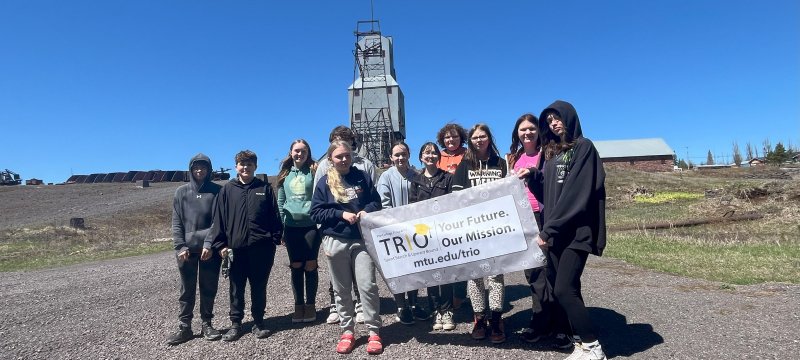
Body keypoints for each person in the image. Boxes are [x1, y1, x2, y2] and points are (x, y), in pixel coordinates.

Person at [523, 100, 608, 360]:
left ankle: (594, 347)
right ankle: (580, 343)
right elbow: (550, 193)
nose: (553, 123)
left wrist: (548, 230)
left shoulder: (584, 148)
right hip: (558, 233)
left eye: (557, 118)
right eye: (549, 121)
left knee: (563, 290)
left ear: (569, 117)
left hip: (576, 232)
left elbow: (575, 195)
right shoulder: (553, 154)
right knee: (569, 288)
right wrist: (533, 176)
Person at [310, 139, 383, 355]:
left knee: (367, 285)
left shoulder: (362, 177)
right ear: (331, 160)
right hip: (336, 239)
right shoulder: (325, 182)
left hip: (361, 239)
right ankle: (347, 331)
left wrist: (366, 210)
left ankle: (373, 331)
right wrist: (340, 213)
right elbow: (316, 212)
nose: (343, 159)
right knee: (341, 289)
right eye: (338, 156)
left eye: (347, 156)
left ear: (351, 156)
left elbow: (375, 201)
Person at [204, 150, 283, 342]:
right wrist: (221, 245)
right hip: (235, 249)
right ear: (236, 166)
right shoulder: (227, 190)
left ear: (255, 166)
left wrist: (274, 239)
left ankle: (258, 322)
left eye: (249, 164)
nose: (245, 167)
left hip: (261, 249)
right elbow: (219, 219)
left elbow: (275, 216)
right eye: (242, 164)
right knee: (236, 288)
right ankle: (236, 324)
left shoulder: (264, 188)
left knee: (258, 286)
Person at [452, 123, 509, 344]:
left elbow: (509, 194)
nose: (479, 140)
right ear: (470, 141)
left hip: (496, 229)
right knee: (474, 276)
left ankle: (496, 319)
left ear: (489, 138)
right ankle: (479, 319)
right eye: (475, 137)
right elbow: (456, 199)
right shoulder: (464, 166)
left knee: (495, 275)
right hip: (472, 230)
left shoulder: (501, 164)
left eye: (482, 136)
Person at [167, 153, 223, 345]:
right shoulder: (181, 192)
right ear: (191, 169)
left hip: (209, 250)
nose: (199, 170)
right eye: (196, 167)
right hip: (186, 251)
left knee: (208, 287)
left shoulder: (217, 191)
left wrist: (209, 244)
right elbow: (177, 222)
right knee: (186, 290)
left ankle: (207, 324)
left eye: (203, 167)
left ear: (209, 170)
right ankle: (185, 327)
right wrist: (180, 246)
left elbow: (218, 222)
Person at [507, 114, 553, 343]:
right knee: (532, 271)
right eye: (523, 129)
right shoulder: (514, 158)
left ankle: (555, 321)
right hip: (521, 218)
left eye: (531, 129)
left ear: (538, 131)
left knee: (550, 269)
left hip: (543, 216)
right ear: (517, 133)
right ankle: (539, 319)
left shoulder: (548, 155)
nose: (527, 133)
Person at [377, 141, 428, 325]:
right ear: (391, 157)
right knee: (398, 269)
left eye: (403, 154)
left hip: (415, 230)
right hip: (394, 230)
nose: (400, 158)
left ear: (409, 155)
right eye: (396, 155)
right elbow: (384, 202)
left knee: (415, 267)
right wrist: (395, 223)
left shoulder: (416, 175)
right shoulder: (385, 177)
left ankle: (414, 303)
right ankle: (401, 306)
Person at [408, 142, 455, 331]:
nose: (430, 156)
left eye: (434, 153)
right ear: (421, 157)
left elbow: (453, 203)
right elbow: (411, 208)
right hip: (425, 235)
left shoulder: (447, 178)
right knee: (431, 275)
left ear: (439, 156)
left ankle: (448, 310)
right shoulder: (416, 181)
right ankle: (435, 310)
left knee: (446, 274)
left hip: (443, 232)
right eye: (426, 153)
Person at [277, 139, 320, 324]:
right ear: (291, 152)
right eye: (296, 151)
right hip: (291, 227)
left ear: (308, 153)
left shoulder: (314, 171)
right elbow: (280, 202)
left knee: (310, 264)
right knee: (296, 265)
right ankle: (298, 305)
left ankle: (310, 305)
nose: (299, 154)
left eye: (303, 151)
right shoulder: (285, 174)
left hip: (311, 226)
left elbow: (320, 196)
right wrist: (281, 226)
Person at [434, 122, 469, 311]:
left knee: (462, 256)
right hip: (442, 214)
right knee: (446, 256)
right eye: (447, 137)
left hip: (462, 212)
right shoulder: (439, 156)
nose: (451, 139)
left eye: (454, 136)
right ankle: (444, 296)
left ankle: (460, 294)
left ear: (461, 138)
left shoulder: (468, 154)